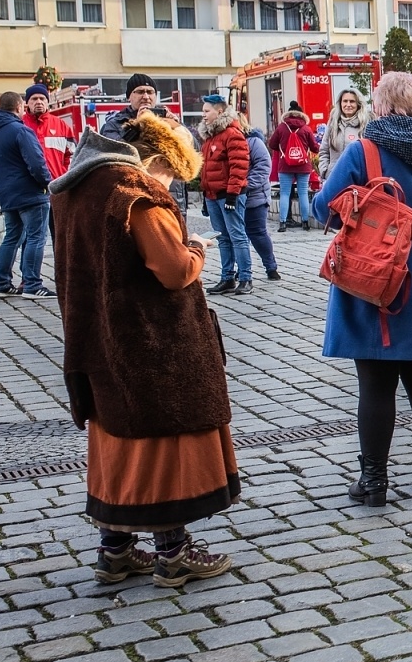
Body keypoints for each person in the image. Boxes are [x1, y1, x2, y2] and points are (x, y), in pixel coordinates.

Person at [51, 113, 237, 588]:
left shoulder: (78, 186)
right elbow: (173, 271)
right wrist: (195, 247)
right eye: (172, 174)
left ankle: (114, 551)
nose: (170, 184)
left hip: (98, 336)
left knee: (116, 438)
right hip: (149, 342)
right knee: (161, 440)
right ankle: (173, 552)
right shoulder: (135, 194)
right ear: (155, 160)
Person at [312, 72, 412, 507]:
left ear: (378, 108)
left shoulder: (364, 151)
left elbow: (324, 206)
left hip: (373, 277)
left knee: (376, 384)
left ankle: (375, 482)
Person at [0, 90, 55, 298]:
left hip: (7, 193)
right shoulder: (21, 131)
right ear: (19, 107)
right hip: (30, 193)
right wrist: (48, 184)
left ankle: (1, 283)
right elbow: (36, 163)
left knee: (11, 237)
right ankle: (33, 285)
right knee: (36, 237)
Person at [197, 94, 252, 296]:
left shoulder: (232, 134)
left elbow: (239, 166)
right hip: (213, 195)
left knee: (237, 236)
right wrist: (206, 195)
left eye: (206, 111)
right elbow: (206, 169)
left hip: (230, 195)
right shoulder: (210, 137)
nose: (203, 115)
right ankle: (227, 278)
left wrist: (232, 195)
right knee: (223, 238)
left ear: (219, 111)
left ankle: (245, 278)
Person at [241, 114, 280, 281]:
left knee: (257, 233)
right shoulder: (223, 141)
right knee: (238, 236)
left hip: (254, 196)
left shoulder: (253, 142)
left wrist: (245, 185)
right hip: (233, 197)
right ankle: (242, 269)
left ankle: (270, 267)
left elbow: (264, 167)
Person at [269, 103, 319, 231]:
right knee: (302, 193)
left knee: (284, 193)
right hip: (303, 165)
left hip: (285, 165)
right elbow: (314, 148)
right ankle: (305, 222)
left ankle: (283, 223)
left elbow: (272, 144)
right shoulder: (306, 129)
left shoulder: (281, 127)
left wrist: (284, 150)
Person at [22, 84, 74, 181]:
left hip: (57, 185)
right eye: (34, 99)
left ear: (47, 102)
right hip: (29, 188)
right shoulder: (20, 124)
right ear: (27, 103)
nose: (38, 102)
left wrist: (64, 174)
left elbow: (72, 155)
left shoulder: (61, 125)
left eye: (42, 98)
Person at [317, 88, 366, 179]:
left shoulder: (365, 124)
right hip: (333, 178)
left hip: (357, 179)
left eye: (352, 101)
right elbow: (324, 150)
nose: (348, 105)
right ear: (340, 103)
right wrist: (325, 171)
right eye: (345, 101)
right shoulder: (333, 123)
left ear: (358, 104)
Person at [99, 74, 158, 140]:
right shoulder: (113, 125)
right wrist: (136, 125)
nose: (146, 97)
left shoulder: (166, 120)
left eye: (150, 92)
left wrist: (171, 125)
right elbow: (119, 148)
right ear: (129, 97)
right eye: (140, 92)